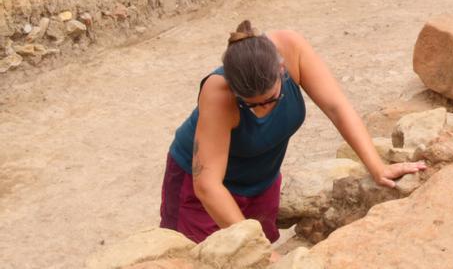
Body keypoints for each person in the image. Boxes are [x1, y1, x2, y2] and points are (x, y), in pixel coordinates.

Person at [159, 20, 425, 244]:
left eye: (270, 99)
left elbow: (336, 107)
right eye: (251, 104)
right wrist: (254, 246)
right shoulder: (218, 93)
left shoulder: (291, 47)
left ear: (282, 70)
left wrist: (377, 167)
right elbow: (208, 185)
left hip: (261, 181)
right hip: (202, 192)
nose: (262, 109)